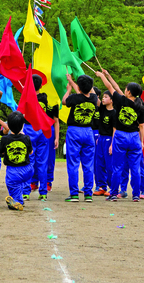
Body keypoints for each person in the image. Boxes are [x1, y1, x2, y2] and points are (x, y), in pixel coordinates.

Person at [95, 70, 144, 202]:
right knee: (135, 168)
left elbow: (110, 88)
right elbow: (141, 126)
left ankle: (113, 194)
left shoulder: (120, 100)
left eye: (126, 89)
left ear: (128, 92)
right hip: (135, 137)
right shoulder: (140, 105)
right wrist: (142, 141)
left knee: (117, 167)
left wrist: (101, 76)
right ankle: (136, 195)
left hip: (121, 136)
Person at [62, 74, 99, 202]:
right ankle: (88, 194)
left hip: (74, 131)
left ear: (79, 86)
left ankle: (74, 194)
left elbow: (64, 101)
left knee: (73, 163)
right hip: (88, 131)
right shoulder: (94, 98)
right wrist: (73, 82)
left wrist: (69, 88)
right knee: (88, 164)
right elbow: (89, 94)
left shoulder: (75, 98)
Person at [24, 75, 58, 201]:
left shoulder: (27, 98)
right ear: (41, 86)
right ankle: (43, 191)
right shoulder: (44, 97)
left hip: (30, 129)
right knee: (42, 162)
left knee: (29, 161)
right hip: (43, 130)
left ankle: (26, 191)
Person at [0, 111, 34, 211]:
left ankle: (18, 201)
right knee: (20, 182)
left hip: (13, 172)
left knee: (12, 183)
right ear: (22, 125)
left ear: (8, 125)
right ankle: (22, 195)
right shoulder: (26, 138)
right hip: (28, 170)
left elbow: (2, 153)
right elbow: (31, 152)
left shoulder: (5, 139)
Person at [92, 91, 116, 196]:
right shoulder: (102, 108)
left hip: (109, 139)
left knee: (109, 165)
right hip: (100, 139)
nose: (103, 99)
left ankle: (113, 188)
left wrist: (112, 144)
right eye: (102, 97)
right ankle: (101, 187)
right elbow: (94, 96)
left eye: (106, 97)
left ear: (111, 100)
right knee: (99, 164)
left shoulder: (115, 113)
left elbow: (115, 129)